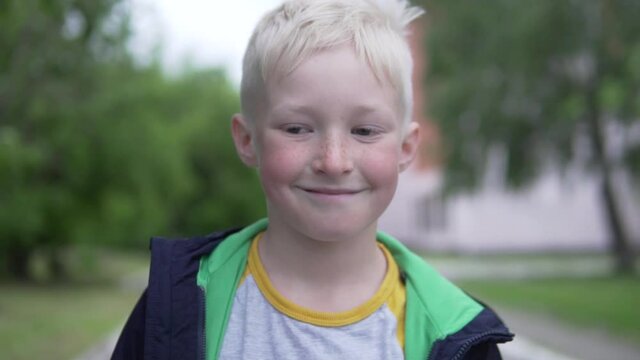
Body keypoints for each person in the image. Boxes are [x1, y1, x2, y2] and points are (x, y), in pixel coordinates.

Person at [112, 0, 513, 359]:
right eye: (298, 129)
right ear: (248, 140)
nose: (333, 162)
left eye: (365, 131)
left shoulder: (457, 335)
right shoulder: (175, 304)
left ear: (406, 149)